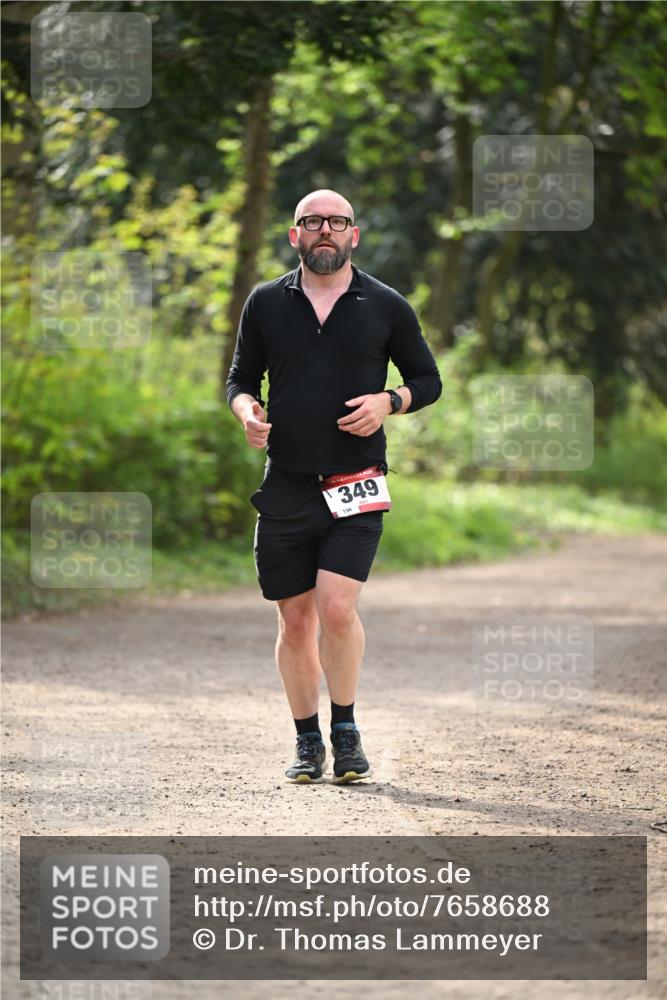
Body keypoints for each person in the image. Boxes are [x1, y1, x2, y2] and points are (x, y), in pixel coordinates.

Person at [226, 189, 441, 785]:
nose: (325, 231)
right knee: (295, 622)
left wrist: (388, 401)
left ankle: (345, 731)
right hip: (288, 484)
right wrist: (247, 411)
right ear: (294, 234)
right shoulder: (266, 302)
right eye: (312, 222)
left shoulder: (386, 305)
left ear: (354, 234)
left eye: (336, 222)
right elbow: (240, 379)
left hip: (357, 481)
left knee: (338, 608)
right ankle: (305, 741)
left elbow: (428, 379)